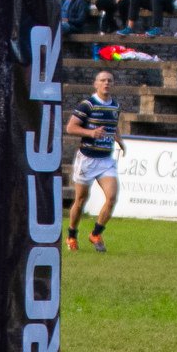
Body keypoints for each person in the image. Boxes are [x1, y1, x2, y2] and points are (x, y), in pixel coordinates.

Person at [65, 70, 122, 254]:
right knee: (81, 200)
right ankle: (72, 235)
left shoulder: (115, 106)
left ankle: (96, 234)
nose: (106, 83)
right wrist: (91, 133)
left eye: (110, 81)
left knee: (111, 197)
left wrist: (119, 140)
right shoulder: (87, 105)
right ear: (95, 84)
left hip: (105, 159)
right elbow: (71, 127)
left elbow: (112, 127)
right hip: (87, 159)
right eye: (103, 80)